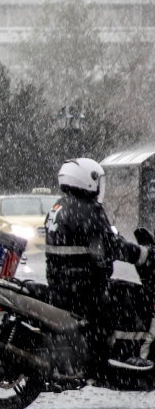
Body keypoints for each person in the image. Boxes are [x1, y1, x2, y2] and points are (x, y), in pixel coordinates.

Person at [44, 158, 153, 371]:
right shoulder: (88, 209)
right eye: (97, 180)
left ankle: (102, 351)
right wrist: (143, 254)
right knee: (137, 297)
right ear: (86, 180)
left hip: (63, 281)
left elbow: (98, 243)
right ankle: (127, 354)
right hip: (83, 286)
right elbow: (111, 246)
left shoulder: (60, 205)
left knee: (118, 295)